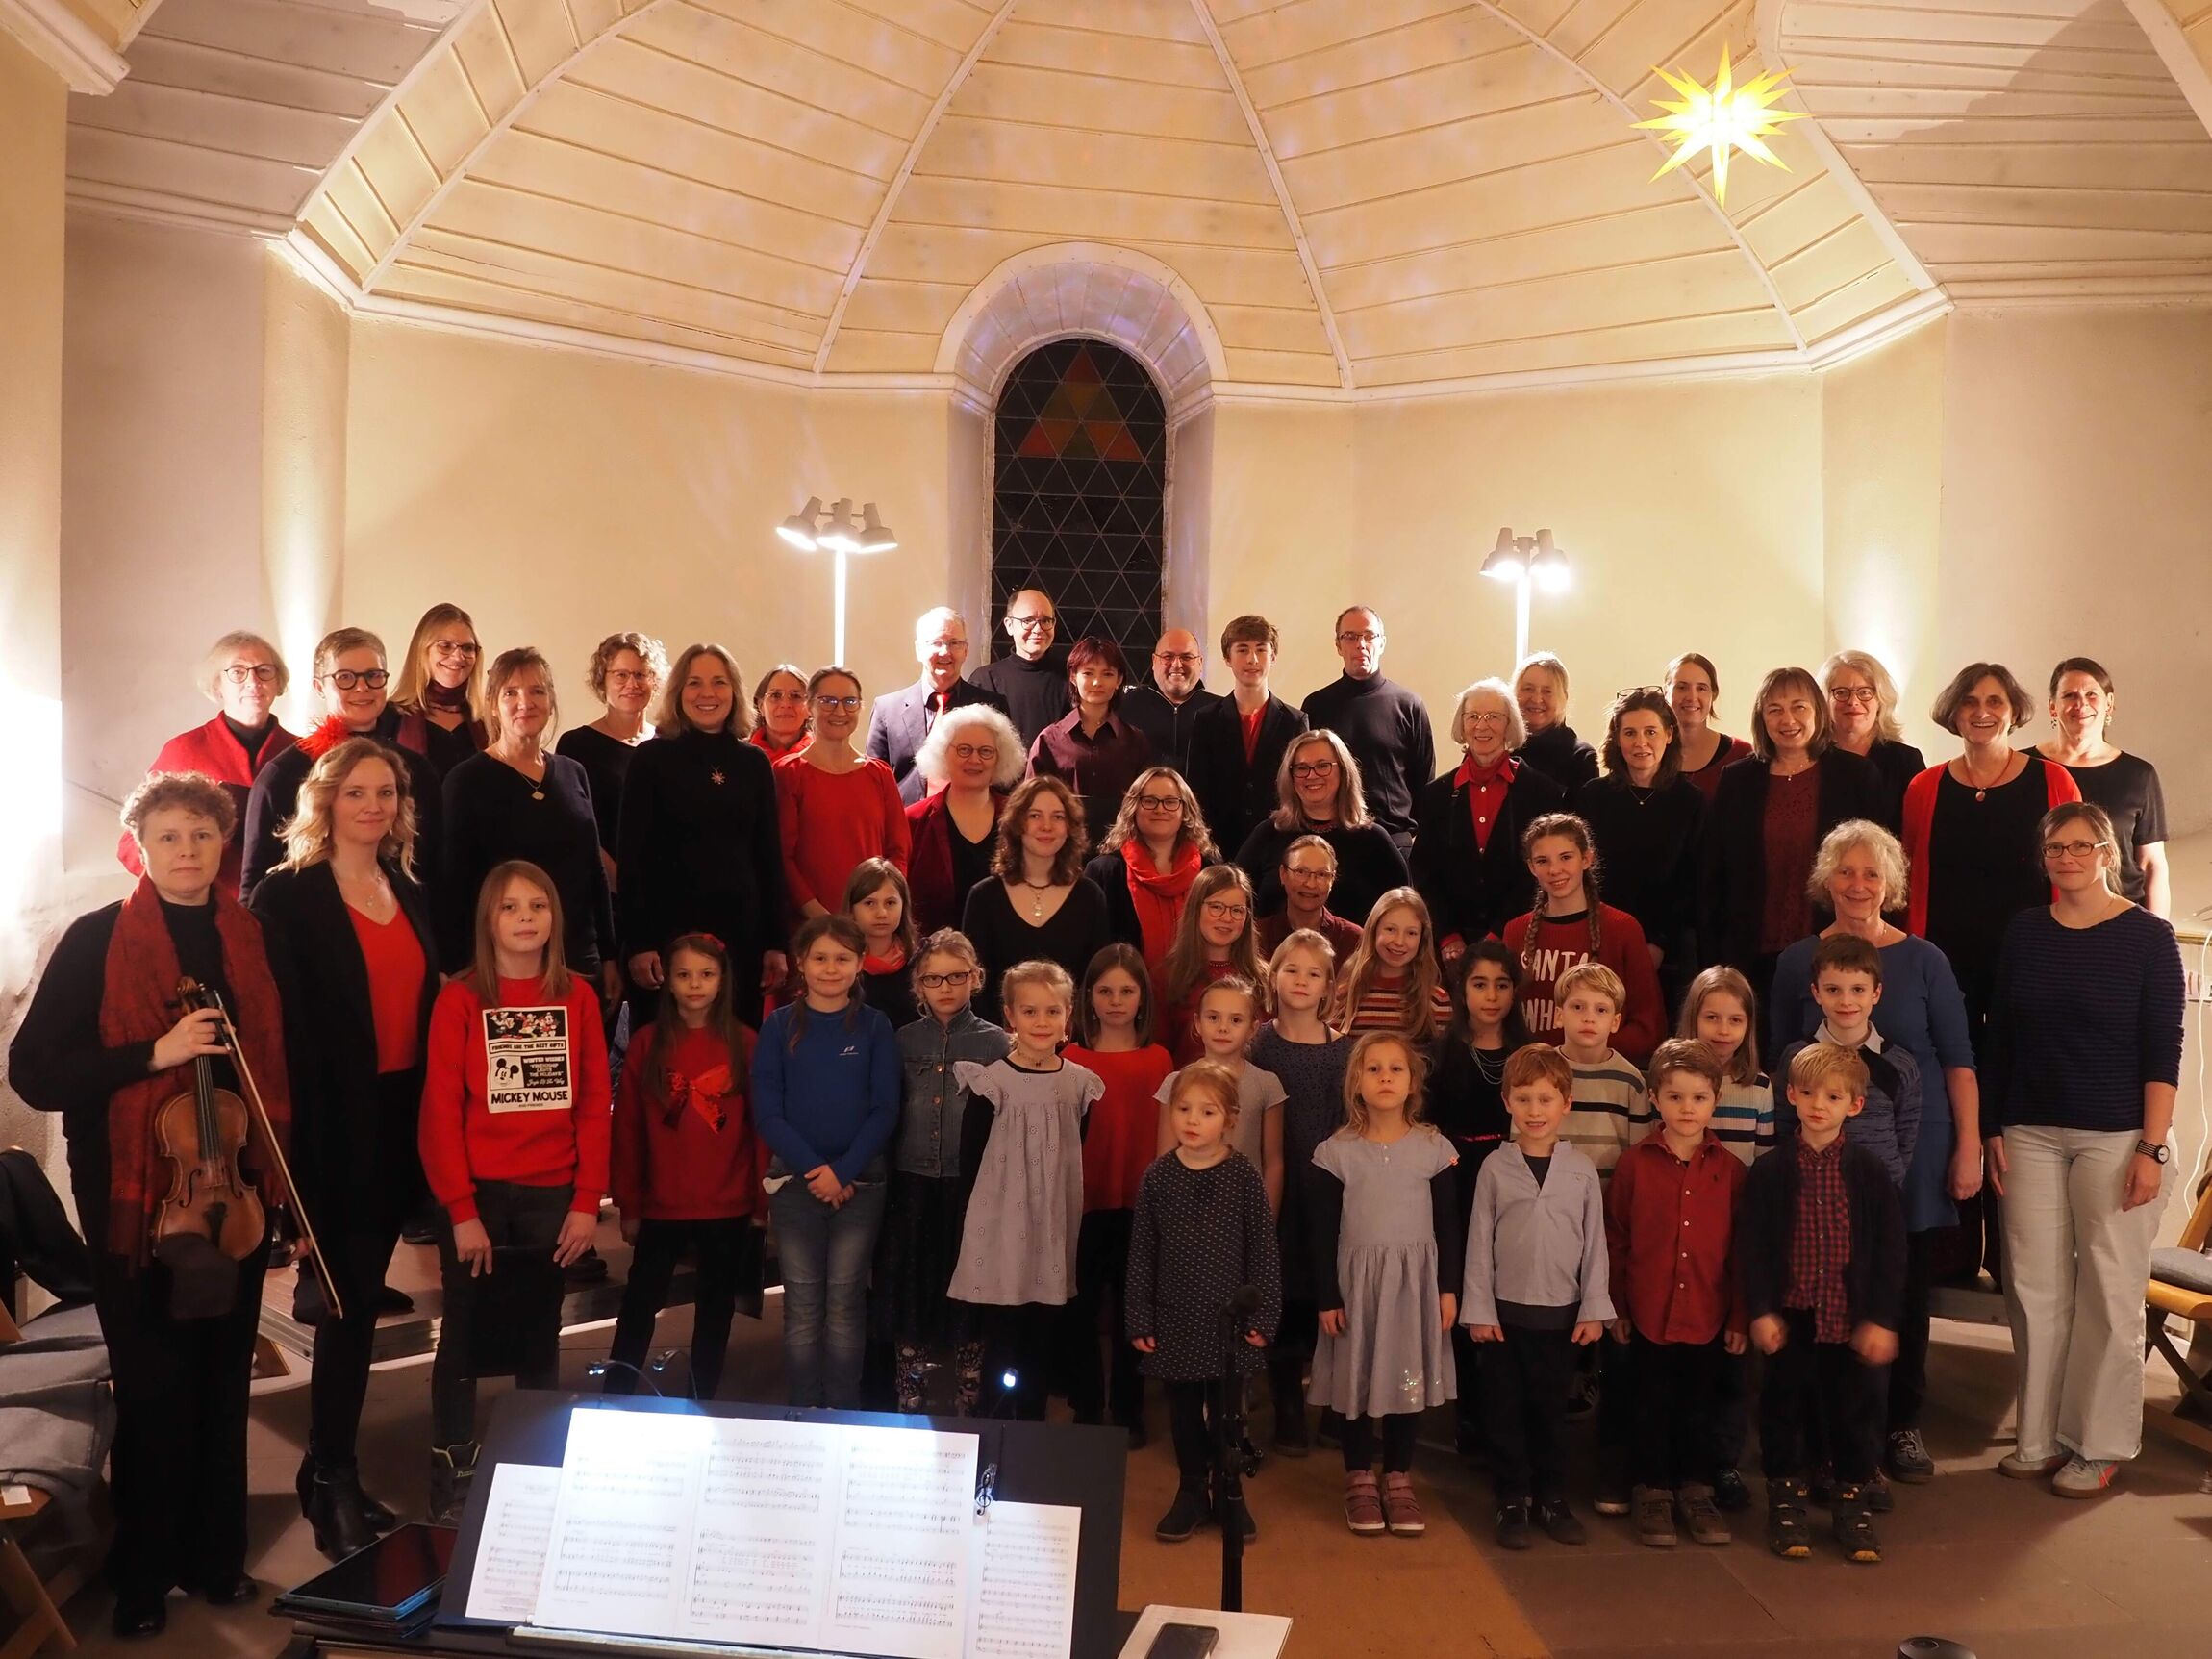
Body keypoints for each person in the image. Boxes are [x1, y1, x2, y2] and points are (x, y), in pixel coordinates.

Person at [10, 773, 293, 1638]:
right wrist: (152, 1051)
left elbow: (274, 1057)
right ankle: (142, 1572)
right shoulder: (97, 940)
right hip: (137, 1198)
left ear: (223, 844)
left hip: (232, 1187)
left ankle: (216, 1557)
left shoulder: (246, 932)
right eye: (169, 836)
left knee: (221, 1372)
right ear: (140, 845)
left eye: (202, 836)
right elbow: (35, 1071)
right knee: (152, 1380)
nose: (187, 852)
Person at [250, 739, 437, 1559]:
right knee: (346, 1302)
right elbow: (277, 1031)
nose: (373, 804)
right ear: (325, 802)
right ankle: (330, 1474)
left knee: (360, 1302)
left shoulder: (408, 888)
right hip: (333, 1128)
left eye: (386, 791)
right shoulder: (285, 895)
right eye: (356, 791)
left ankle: (332, 1469)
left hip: (402, 1119)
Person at [1985, 801, 2185, 1497]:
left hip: (2117, 1135)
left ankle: (2096, 1443)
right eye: (2054, 848)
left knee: (2108, 1290)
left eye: (2081, 846)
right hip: (2029, 1130)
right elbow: (2000, 1040)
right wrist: (1991, 1127)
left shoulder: (2149, 938)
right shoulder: (2025, 932)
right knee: (2035, 1288)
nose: (2066, 858)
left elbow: (2165, 1051)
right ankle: (2038, 1437)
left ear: (2109, 853)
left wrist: (2152, 1149)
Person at [1769, 822, 1978, 1485]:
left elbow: (1959, 1058)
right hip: (1817, 1153)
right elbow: (1780, 1063)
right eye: (1845, 871)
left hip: (1909, 1150)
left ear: (1890, 885)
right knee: (1819, 1288)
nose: (1858, 884)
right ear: (1825, 881)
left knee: (1900, 1288)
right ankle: (1818, 1430)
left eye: (1871, 873)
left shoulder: (1926, 960)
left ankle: (1900, 1423)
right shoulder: (1796, 959)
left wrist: (1970, 1142)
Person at [417, 861, 610, 1522]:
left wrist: (587, 1200)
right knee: (464, 1333)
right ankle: (454, 1466)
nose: (526, 917)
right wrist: (462, 1211)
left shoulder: (579, 998)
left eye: (538, 904)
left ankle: (534, 1461)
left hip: (551, 1190)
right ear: (488, 921)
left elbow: (592, 1105)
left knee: (538, 1330)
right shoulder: (462, 999)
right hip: (478, 1193)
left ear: (555, 917)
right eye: (510, 907)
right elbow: (439, 1111)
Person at [1741, 1043, 1905, 1564]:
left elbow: (1890, 1252)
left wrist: (1881, 1317)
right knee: (1782, 1408)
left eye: (1833, 1096)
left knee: (1856, 1411)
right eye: (1808, 1093)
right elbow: (1754, 1248)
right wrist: (1761, 1309)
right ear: (1789, 1095)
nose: (1818, 1105)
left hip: (1850, 1318)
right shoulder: (1768, 1173)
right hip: (1791, 1317)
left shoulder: (1870, 1173)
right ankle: (1785, 1501)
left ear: (1854, 1105)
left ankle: (1851, 1502)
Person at [1311, 1031, 1462, 1538]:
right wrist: (1327, 1295)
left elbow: (1449, 1226)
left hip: (1414, 1291)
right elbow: (1321, 1231)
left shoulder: (1434, 1149)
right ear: (1355, 1081)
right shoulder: (1336, 1152)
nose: (1385, 1078)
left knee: (1406, 1379)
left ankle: (1397, 1475)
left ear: (1413, 1082)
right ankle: (1358, 1474)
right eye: (1373, 1069)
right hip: (1356, 1289)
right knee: (1356, 1379)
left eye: (1395, 1069)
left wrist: (1447, 1289)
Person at [1463, 1043, 1612, 1551]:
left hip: (1561, 1319)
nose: (1535, 1112)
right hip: (1505, 1317)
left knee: (1551, 1412)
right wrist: (1479, 1309)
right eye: (1524, 1099)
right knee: (1504, 1412)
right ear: (1507, 1101)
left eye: (1546, 1100)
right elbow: (1479, 1242)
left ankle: (1551, 1496)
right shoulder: (1494, 1169)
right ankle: (1511, 1497)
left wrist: (1593, 1307)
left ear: (1566, 1102)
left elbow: (1596, 1244)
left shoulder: (1581, 1170)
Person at [606, 932, 767, 1402]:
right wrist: (629, 1204)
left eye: (706, 974)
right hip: (662, 1204)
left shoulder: (746, 1043)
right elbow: (629, 1132)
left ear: (723, 981)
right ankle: (615, 1395)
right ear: (668, 982)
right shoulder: (645, 1045)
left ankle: (702, 1397)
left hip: (728, 1204)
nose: (695, 984)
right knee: (639, 1305)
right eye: (684, 975)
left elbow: (760, 1131)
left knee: (715, 1309)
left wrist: (759, 1203)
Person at [1127, 1059, 1280, 1542]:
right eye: (1184, 1109)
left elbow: (1262, 1249)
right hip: (1175, 1320)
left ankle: (1229, 1491)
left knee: (1230, 1414)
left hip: (1229, 1324)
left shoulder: (1243, 1176)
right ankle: (1192, 1490)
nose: (1193, 1120)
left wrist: (1265, 1315)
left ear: (1230, 1120)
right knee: (1183, 1413)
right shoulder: (1158, 1177)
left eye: (1207, 1111)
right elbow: (1142, 1253)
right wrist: (1139, 1316)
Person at [752, 914, 900, 1410]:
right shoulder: (777, 1027)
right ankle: (802, 1413)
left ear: (860, 963)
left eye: (842, 958)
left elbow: (885, 1109)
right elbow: (767, 1112)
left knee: (843, 1304)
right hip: (794, 1184)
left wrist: (844, 1171)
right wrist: (817, 1170)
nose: (831, 968)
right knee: (802, 1306)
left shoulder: (876, 1027)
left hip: (862, 1185)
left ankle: (842, 1414)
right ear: (801, 963)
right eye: (820, 958)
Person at [1607, 1039, 1747, 1549]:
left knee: (1699, 1407)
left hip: (1708, 1314)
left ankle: (1696, 1489)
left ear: (1715, 1100)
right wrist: (1618, 1306)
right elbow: (1617, 1238)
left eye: (1699, 1098)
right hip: (1648, 1311)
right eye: (1675, 1097)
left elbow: (1739, 1253)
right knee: (1649, 1404)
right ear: (1655, 1099)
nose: (1687, 1109)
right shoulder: (1633, 1165)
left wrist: (1738, 1316)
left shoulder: (1732, 1172)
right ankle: (1653, 1490)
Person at [1901, 663, 2081, 1054]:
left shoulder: (2054, 781)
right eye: (1969, 702)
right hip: (1946, 960)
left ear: (2014, 711)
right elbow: (1912, 876)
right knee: (1953, 1065)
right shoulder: (1924, 787)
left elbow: (2077, 874)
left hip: (2031, 956)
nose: (1982, 712)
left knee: (2019, 1067)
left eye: (1994, 701)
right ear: (1954, 712)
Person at [950, 959, 1102, 1420]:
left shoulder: (1078, 1085)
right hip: (1000, 1231)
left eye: (1052, 1012)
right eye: (1030, 1011)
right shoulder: (991, 1083)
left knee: (1041, 1335)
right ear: (1010, 1017)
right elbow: (970, 1163)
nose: (1042, 1022)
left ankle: (1030, 1429)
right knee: (1002, 1338)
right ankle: (994, 1432)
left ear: (1067, 1017)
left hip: (1051, 1229)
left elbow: (1074, 1147)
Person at [616, 643, 788, 1024]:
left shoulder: (754, 763)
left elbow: (768, 857)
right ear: (678, 692)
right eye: (694, 683)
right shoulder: (650, 760)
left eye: (718, 682)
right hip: (666, 939)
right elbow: (633, 859)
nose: (707, 693)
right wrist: (639, 942)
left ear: (735, 691)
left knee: (734, 1056)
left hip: (742, 938)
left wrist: (776, 943)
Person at [1699, 666, 1885, 1009]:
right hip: (1749, 948)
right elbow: (1715, 870)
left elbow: (1878, 866)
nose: (1788, 719)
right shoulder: (1737, 780)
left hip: (1833, 948)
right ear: (1762, 718)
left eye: (1799, 706)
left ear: (1817, 710)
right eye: (1775, 709)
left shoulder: (1856, 776)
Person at [881, 929, 1009, 1415]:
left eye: (957, 976)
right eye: (933, 979)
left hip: (969, 1186)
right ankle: (910, 1391)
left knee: (969, 1289)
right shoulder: (903, 1039)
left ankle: (968, 1394)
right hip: (912, 1182)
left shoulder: (995, 1041)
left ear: (975, 978)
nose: (946, 987)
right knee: (911, 1286)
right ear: (918, 984)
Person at [440, 646, 617, 996]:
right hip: (502, 965)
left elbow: (593, 871)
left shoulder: (573, 773)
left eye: (537, 691)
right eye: (511, 693)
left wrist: (609, 955)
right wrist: (455, 964)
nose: (526, 702)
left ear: (550, 700)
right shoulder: (466, 780)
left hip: (578, 959)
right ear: (493, 704)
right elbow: (453, 882)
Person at [1064, 944, 1175, 1444]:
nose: (1114, 1001)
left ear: (1142, 998)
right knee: (1082, 1309)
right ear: (1087, 998)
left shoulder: (1159, 1060)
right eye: (1104, 991)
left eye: (1126, 991)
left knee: (1136, 1310)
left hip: (1139, 1204)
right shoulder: (1070, 1058)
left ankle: (1130, 1409)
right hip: (1082, 1204)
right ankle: (1087, 1403)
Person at [242, 627, 442, 896]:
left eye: (373, 676)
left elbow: (434, 869)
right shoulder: (284, 773)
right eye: (345, 678)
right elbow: (256, 881)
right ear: (319, 687)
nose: (362, 687)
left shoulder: (416, 769)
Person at [1426, 943, 1530, 1461]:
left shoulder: (1527, 1054)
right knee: (1468, 1293)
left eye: (1502, 984)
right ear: (1461, 991)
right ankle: (1469, 1413)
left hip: (1516, 1179)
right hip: (1460, 1181)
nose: (1491, 996)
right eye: (1480, 984)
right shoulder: (1443, 1053)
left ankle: (1509, 1412)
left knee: (1510, 1289)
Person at [1252, 929, 1352, 1458]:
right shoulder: (1259, 1043)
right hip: (1277, 1183)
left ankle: (1338, 1407)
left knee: (1330, 1294)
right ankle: (1287, 1406)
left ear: (1329, 987)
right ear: (1274, 976)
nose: (1301, 980)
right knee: (1284, 1296)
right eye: (1292, 969)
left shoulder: (1344, 1050)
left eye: (1314, 973)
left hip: (1330, 1189)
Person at [118, 631, 296, 896]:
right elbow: (132, 844)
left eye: (264, 671)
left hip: (288, 903)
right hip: (206, 906)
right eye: (238, 672)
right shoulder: (185, 750)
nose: (253, 682)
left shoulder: (304, 752)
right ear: (217, 685)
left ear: (278, 682)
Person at [1412, 678, 1567, 959]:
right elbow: (1424, 871)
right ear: (1462, 723)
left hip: (1521, 941)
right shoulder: (1436, 795)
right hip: (1450, 948)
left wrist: (1500, 934)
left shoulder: (1543, 793)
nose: (1482, 726)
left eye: (1493, 717)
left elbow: (1540, 873)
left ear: (1510, 724)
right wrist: (1447, 936)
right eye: (1473, 716)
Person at [1499, 813, 1667, 1062]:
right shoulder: (1515, 932)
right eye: (1543, 861)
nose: (1555, 870)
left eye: (1566, 857)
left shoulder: (1623, 928)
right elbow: (1503, 1018)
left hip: (1601, 1075)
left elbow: (1649, 1026)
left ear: (1586, 858)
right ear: (1532, 867)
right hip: (1531, 1076)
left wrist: (1587, 1054)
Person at [1574, 688, 1704, 1008]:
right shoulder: (1592, 797)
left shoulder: (1691, 802)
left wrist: (1658, 944)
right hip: (1597, 940)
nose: (1640, 742)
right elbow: (1580, 872)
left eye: (1651, 732)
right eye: (1630, 733)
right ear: (1617, 738)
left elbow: (1695, 882)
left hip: (1668, 952)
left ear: (1669, 735)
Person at [958, 775, 1112, 1025]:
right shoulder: (983, 897)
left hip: (1072, 1042)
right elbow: (976, 985)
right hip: (998, 1044)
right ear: (1017, 824)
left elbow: (1095, 982)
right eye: (1035, 816)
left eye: (1058, 817)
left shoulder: (1090, 896)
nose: (1047, 826)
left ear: (1070, 827)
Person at [1772, 936, 1921, 1191]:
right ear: (1816, 993)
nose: (1845, 1001)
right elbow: (1784, 1125)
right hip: (1809, 1193)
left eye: (1858, 989)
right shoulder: (1797, 1056)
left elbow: (1906, 1133)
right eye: (1833, 990)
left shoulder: (1900, 1064)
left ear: (1876, 993)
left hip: (1877, 1195)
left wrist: (1890, 1180)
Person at [774, 666, 910, 926]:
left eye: (849, 701)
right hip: (811, 927)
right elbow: (782, 857)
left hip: (871, 926)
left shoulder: (879, 774)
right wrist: (819, 916)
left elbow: (898, 851)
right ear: (809, 706)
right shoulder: (788, 773)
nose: (839, 711)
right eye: (827, 701)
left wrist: (882, 906)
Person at [2033, 658, 2170, 917]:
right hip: (2042, 920)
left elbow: (2152, 865)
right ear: (2053, 707)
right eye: (2069, 695)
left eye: (2091, 694)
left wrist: (2160, 935)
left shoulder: (2139, 775)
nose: (2081, 704)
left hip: (2121, 921)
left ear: (2109, 704)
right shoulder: (2025, 768)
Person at [1235, 729, 1409, 928]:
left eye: (1323, 766)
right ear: (1289, 776)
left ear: (1343, 771)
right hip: (1271, 956)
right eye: (1301, 768)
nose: (1312, 775)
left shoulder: (1374, 840)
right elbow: (1234, 898)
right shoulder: (1267, 834)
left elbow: (1403, 910)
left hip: (1352, 956)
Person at [1299, 607, 1434, 853]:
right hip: (1332, 842)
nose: (1360, 644)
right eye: (1350, 637)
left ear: (1382, 643)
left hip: (1395, 841)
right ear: (1338, 646)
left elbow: (1424, 783)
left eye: (1369, 636)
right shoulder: (1316, 706)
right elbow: (1306, 777)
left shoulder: (1409, 705)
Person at [1186, 615, 1310, 857]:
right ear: (1227, 658)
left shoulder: (1295, 721)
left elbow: (1301, 790)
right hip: (1219, 846)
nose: (1252, 659)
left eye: (1260, 650)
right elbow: (1197, 790)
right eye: (1242, 649)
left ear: (1273, 657)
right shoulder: (1206, 719)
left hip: (1278, 845)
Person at [556, 631, 666, 892]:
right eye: (621, 675)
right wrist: (622, 885)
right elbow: (577, 826)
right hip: (604, 893)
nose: (632, 684)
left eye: (641, 674)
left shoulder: (669, 743)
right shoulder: (576, 745)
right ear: (602, 681)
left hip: (665, 892)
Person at [1083, 766, 1217, 976]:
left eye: (1171, 802)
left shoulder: (1209, 871)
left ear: (1185, 811)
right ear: (1133, 808)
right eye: (1149, 800)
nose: (1160, 809)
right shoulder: (1104, 872)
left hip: (1197, 997)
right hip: (1125, 1000)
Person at [905, 704, 1019, 938]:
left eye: (986, 751)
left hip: (1007, 955)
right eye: (964, 750)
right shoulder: (913, 821)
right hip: (935, 960)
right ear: (943, 753)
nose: (975, 759)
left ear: (1000, 758)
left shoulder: (1020, 818)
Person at [867, 608, 1004, 803]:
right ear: (919, 650)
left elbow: (1002, 779)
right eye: (936, 643)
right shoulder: (887, 709)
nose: (945, 652)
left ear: (965, 650)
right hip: (905, 825)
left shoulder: (991, 708)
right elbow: (873, 781)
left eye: (954, 643)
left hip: (972, 825)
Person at [1028, 636, 1155, 833]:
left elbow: (1146, 803)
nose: (1097, 682)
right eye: (1088, 673)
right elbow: (1031, 802)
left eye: (1107, 674)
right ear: (1073, 676)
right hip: (1060, 845)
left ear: (1118, 680)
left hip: (1119, 847)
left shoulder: (1134, 741)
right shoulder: (1049, 740)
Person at [1155, 865, 1267, 1064]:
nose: (1226, 918)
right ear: (1196, 909)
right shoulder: (1166, 976)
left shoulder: (1263, 977)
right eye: (1216, 907)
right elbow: (1159, 1053)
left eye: (1237, 910)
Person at [1554, 964, 1652, 1180]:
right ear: (1559, 1015)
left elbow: (1640, 1156)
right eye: (1578, 1007)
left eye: (1601, 1010)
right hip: (1550, 1201)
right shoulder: (1542, 1071)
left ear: (1615, 1022)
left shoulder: (1631, 1081)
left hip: (1608, 1201)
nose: (1589, 1018)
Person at [1681, 966, 1774, 1166]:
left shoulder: (1760, 1086)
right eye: (1712, 1018)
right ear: (1693, 1017)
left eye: (1735, 1020)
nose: (1723, 1030)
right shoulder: (1671, 1081)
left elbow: (1763, 1161)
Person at [1333, 887, 1453, 1041]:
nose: (1399, 942)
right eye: (1390, 929)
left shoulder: (1437, 1001)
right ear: (1374, 930)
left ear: (1422, 939)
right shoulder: (1345, 995)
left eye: (1411, 933)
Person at [1821, 651, 1923, 827]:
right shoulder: (1811, 759)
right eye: (1841, 692)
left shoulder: (1906, 761)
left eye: (1865, 692)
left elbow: (1918, 830)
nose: (1853, 701)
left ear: (1880, 700)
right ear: (1824, 700)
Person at [389, 602, 488, 779]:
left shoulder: (487, 722)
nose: (458, 657)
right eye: (445, 646)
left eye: (467, 648)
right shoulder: (389, 718)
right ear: (422, 650)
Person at [969, 588, 1071, 745]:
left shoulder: (1071, 677)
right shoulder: (985, 680)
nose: (1038, 629)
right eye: (1028, 621)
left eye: (1045, 621)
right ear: (1009, 625)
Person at [1120, 627, 1222, 775]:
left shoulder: (1221, 711)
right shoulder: (1126, 708)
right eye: (1168, 657)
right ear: (1154, 661)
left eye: (1186, 657)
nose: (1177, 665)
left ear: (1200, 663)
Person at [1255, 833, 1365, 963]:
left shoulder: (1352, 939)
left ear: (1332, 879)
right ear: (1283, 874)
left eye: (1322, 874)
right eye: (1301, 872)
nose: (1310, 884)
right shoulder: (1257, 936)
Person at [1666, 652, 1751, 801]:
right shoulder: (1648, 753)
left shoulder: (1741, 754)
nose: (1692, 697)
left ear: (1714, 694)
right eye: (1681, 687)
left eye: (1701, 688)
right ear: (1666, 692)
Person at [847, 858, 920, 1029]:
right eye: (869, 903)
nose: (881, 913)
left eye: (890, 903)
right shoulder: (839, 964)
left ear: (904, 906)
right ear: (852, 909)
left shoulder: (922, 960)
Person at [1513, 653, 1598, 792]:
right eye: (1528, 688)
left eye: (1547, 691)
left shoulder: (1581, 757)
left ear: (1563, 698)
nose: (1536, 699)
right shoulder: (1498, 747)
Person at [748, 664, 814, 761]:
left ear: (809, 708)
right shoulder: (737, 756)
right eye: (775, 695)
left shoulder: (826, 758)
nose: (785, 704)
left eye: (796, 696)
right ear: (761, 706)